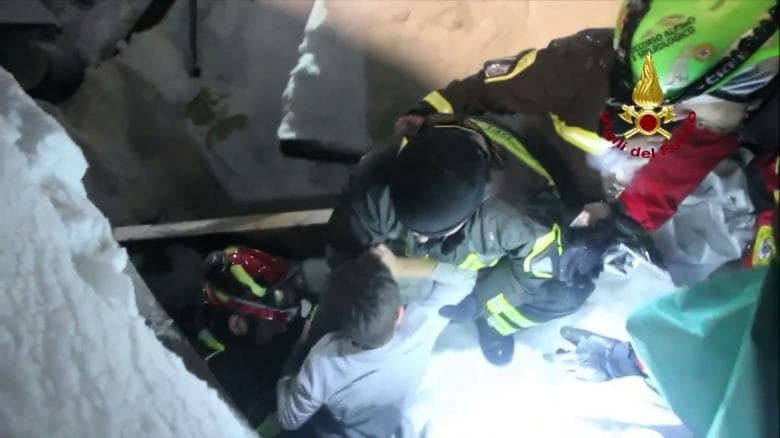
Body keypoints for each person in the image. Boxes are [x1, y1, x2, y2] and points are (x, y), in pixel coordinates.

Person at [396, 0, 778, 273]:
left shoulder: (738, 113)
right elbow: (493, 87)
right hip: (561, 176)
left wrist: (623, 223)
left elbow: (700, 145)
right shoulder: (579, 66)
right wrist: (430, 109)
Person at [322, 109, 619, 367]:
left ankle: (495, 326)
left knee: (566, 291)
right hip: (421, 264)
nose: (421, 241)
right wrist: (374, 301)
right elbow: (344, 251)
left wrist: (479, 302)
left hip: (493, 258)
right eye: (413, 229)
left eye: (431, 234)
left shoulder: (518, 214)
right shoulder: (376, 184)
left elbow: (533, 268)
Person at [276, 247, 476, 437]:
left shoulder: (326, 357)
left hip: (342, 429)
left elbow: (289, 419)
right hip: (391, 425)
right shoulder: (420, 327)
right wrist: (399, 266)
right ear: (399, 313)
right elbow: (465, 276)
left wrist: (300, 351)